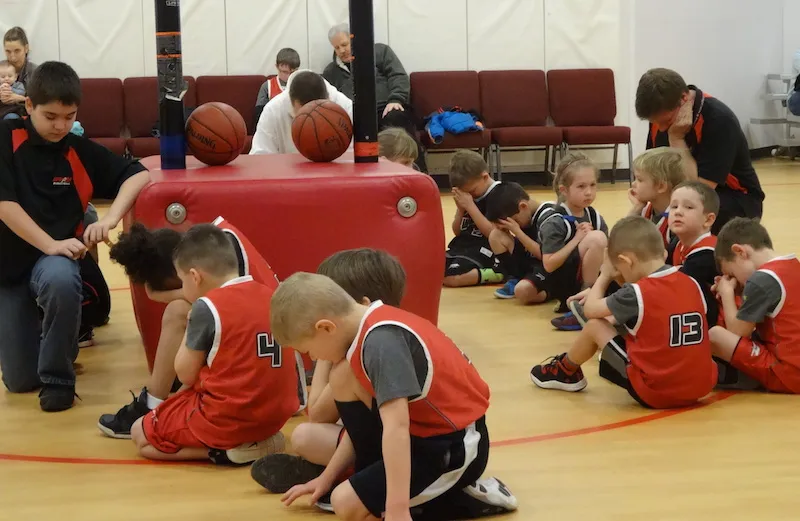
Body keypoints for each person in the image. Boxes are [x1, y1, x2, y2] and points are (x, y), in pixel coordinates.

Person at [273, 272, 518, 520]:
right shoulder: (368, 327)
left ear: (326, 327)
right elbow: (366, 426)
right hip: (419, 436)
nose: (313, 358)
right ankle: (382, 491)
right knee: (342, 379)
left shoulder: (381, 343)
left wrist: (396, 508)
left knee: (345, 504)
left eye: (307, 350)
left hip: (454, 446)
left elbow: (396, 428)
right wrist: (327, 478)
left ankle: (461, 498)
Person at [0, 61, 150, 412]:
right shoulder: (5, 140)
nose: (61, 126)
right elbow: (4, 205)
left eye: (69, 117)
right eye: (51, 116)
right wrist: (50, 242)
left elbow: (138, 174)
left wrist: (111, 218)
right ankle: (42, 327)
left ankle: (59, 379)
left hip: (52, 262)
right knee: (20, 381)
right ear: (29, 106)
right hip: (9, 270)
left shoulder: (77, 149)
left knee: (61, 280)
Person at [98, 216, 305, 439]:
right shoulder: (217, 241)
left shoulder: (220, 262)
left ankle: (152, 402)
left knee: (178, 310)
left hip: (261, 391)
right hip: (276, 389)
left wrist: (162, 296)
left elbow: (188, 372)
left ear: (192, 274)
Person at [251, 248, 407, 493]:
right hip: (386, 440)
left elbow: (319, 414)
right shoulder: (387, 330)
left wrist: (328, 352)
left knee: (304, 436)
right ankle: (335, 474)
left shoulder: (372, 347)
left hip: (408, 449)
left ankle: (340, 474)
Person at [530, 216, 717, 409]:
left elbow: (590, 310)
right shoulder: (691, 281)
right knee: (635, 323)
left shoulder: (636, 293)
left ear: (625, 261)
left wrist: (605, 274)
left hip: (657, 393)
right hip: (702, 386)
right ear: (662, 252)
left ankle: (565, 370)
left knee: (595, 325)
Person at [635, 68, 764, 234]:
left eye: (666, 121)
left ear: (684, 98)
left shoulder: (720, 120)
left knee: (685, 213)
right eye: (654, 122)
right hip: (686, 193)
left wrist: (676, 139)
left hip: (736, 199)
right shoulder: (662, 112)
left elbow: (697, 190)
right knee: (650, 214)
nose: (661, 128)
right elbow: (651, 172)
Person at [710, 218, 800, 394]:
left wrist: (727, 294)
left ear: (740, 252)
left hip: (788, 375)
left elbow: (738, 332)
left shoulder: (761, 279)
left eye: (732, 274)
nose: (737, 283)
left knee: (715, 335)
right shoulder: (793, 265)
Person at [323, 23, 426, 173]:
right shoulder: (331, 72)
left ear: (354, 39)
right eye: (337, 48)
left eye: (344, 44)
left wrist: (395, 99)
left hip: (386, 107)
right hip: (355, 116)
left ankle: (419, 174)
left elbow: (398, 76)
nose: (342, 50)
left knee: (396, 118)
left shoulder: (380, 51)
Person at [531, 153, 608, 312]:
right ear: (564, 190)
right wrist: (577, 239)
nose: (589, 192)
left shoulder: (594, 216)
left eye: (593, 185)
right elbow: (549, 265)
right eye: (581, 186)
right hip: (559, 280)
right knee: (597, 239)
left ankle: (594, 297)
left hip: (584, 275)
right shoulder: (554, 221)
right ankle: (584, 301)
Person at [250, 70, 352, 155]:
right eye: (305, 115)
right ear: (291, 103)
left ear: (328, 99)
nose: (312, 124)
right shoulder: (273, 110)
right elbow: (260, 156)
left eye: (318, 116)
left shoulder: (345, 107)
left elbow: (355, 157)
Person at [444, 150, 504, 288]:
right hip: (463, 246)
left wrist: (471, 206)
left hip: (486, 249)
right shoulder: (470, 196)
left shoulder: (500, 194)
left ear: (484, 177)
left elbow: (494, 234)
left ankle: (498, 272)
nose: (471, 195)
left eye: (472, 190)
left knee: (453, 277)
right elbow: (458, 232)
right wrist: (460, 210)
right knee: (431, 269)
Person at [485, 182, 554, 304]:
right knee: (496, 235)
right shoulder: (524, 214)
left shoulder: (549, 218)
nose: (514, 225)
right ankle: (515, 278)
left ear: (523, 206)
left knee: (523, 292)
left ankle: (557, 291)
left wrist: (517, 232)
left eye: (515, 221)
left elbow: (547, 257)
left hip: (549, 267)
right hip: (533, 262)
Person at [628, 147, 687, 247]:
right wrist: (636, 209)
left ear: (661, 186)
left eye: (639, 179)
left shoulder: (678, 221)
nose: (633, 184)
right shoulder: (645, 209)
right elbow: (619, 240)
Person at [254, 48, 300, 128]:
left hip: (295, 127)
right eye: (285, 72)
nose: (289, 76)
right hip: (274, 128)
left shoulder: (302, 85)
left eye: (292, 72)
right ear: (277, 67)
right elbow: (259, 115)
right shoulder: (267, 86)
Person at [1, 27, 36, 109]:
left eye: (17, 51)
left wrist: (21, 98)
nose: (12, 57)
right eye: (8, 51)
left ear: (26, 48)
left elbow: (44, 102)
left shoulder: (36, 72)